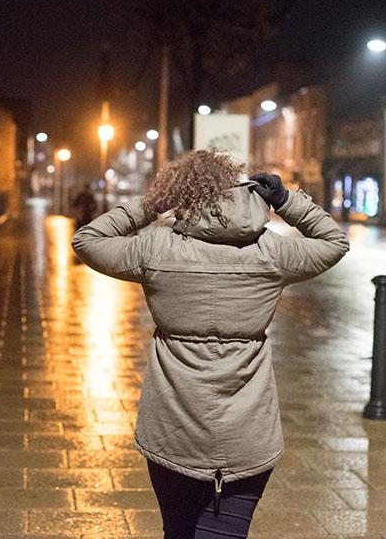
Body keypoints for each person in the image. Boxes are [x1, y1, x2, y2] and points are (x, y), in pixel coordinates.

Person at [71, 149, 349, 539]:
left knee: (179, 531)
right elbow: (334, 241)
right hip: (248, 432)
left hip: (173, 428)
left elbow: (87, 239)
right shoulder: (272, 252)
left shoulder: (156, 248)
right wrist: (288, 202)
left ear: (181, 194)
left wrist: (149, 206)